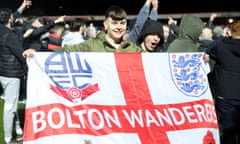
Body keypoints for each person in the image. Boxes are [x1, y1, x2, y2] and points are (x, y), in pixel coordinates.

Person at [23, 5, 143, 54]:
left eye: (122, 23)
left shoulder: (132, 48)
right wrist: (37, 54)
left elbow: (153, 62)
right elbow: (66, 51)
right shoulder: (92, 45)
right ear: (106, 25)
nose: (119, 27)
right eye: (114, 23)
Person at [205, 20, 240, 144]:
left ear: (231, 31)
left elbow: (208, 50)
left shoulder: (222, 46)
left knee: (228, 133)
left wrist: (221, 37)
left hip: (225, 95)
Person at [0, 7, 29, 144]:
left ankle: (18, 129)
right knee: (10, 106)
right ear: (10, 19)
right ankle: (7, 138)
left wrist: (22, 7)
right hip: (12, 74)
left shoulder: (2, 30)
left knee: (13, 102)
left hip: (3, 72)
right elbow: (21, 54)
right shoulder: (9, 35)